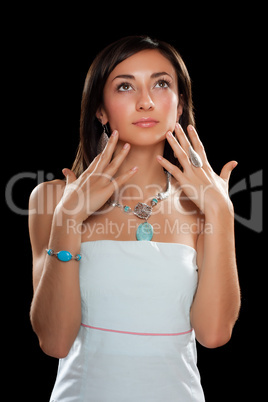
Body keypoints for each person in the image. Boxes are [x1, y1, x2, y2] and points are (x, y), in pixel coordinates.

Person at [29, 36, 241, 401]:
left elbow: (214, 333)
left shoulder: (204, 205)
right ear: (100, 109)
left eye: (161, 84)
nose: (145, 101)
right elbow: (55, 340)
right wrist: (68, 217)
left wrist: (221, 215)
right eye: (125, 86)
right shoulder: (52, 199)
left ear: (179, 107)